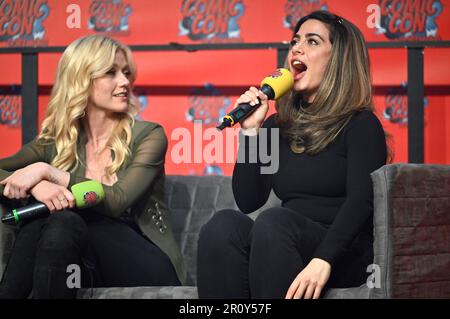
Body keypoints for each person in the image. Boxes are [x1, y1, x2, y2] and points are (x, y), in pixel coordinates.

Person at [197, 10, 389, 299]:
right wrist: (251, 133)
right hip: (283, 243)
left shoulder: (361, 124)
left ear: (339, 59)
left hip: (341, 252)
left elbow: (362, 202)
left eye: (312, 42)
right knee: (223, 226)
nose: (297, 48)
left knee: (275, 222)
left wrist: (323, 259)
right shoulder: (277, 125)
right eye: (295, 41)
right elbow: (249, 200)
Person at [0, 35, 186, 298]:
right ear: (81, 80)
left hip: (145, 262)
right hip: (86, 259)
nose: (124, 82)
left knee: (57, 218)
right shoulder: (55, 142)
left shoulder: (149, 135)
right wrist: (39, 185)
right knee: (55, 220)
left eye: (125, 72)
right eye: (110, 72)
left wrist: (50, 173)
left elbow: (118, 200)